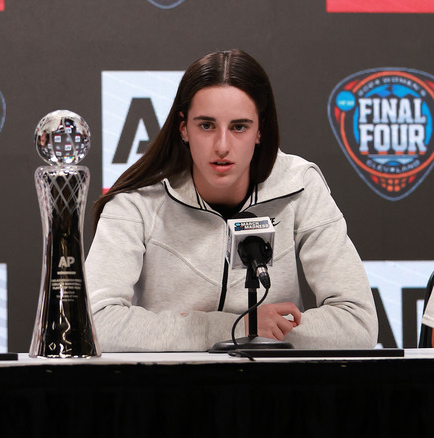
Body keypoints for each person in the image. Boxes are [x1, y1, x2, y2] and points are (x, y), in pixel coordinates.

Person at [85, 49, 378, 351]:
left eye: (239, 127)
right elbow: (93, 323)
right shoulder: (137, 200)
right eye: (207, 126)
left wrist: (262, 332)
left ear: (260, 130)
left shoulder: (299, 185)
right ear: (183, 128)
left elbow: (358, 324)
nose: (222, 146)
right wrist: (241, 328)